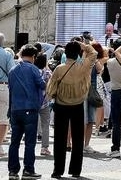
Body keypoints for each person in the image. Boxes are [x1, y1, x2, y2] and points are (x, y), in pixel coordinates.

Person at [46, 40, 92, 178]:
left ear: (66, 53)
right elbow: (93, 53)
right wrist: (83, 45)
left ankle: (58, 170)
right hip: (78, 104)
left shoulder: (59, 69)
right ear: (78, 53)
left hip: (61, 105)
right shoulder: (83, 67)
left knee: (60, 139)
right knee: (78, 139)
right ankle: (76, 170)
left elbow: (51, 87)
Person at [8, 44, 46, 180]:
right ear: (34, 56)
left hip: (15, 109)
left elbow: (10, 90)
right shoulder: (34, 69)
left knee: (14, 142)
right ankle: (28, 169)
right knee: (30, 142)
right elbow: (42, 85)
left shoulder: (12, 70)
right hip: (30, 108)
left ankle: (12, 170)